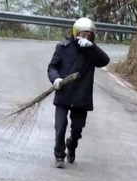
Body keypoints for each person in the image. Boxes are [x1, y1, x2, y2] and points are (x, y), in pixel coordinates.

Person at [47, 17, 111, 168]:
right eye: (83, 34)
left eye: (89, 36)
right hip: (64, 93)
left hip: (81, 96)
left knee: (77, 128)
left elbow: (104, 61)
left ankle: (72, 144)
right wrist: (56, 79)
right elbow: (52, 67)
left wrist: (92, 47)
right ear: (76, 33)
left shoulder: (91, 52)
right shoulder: (63, 47)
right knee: (60, 126)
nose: (86, 38)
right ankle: (59, 155)